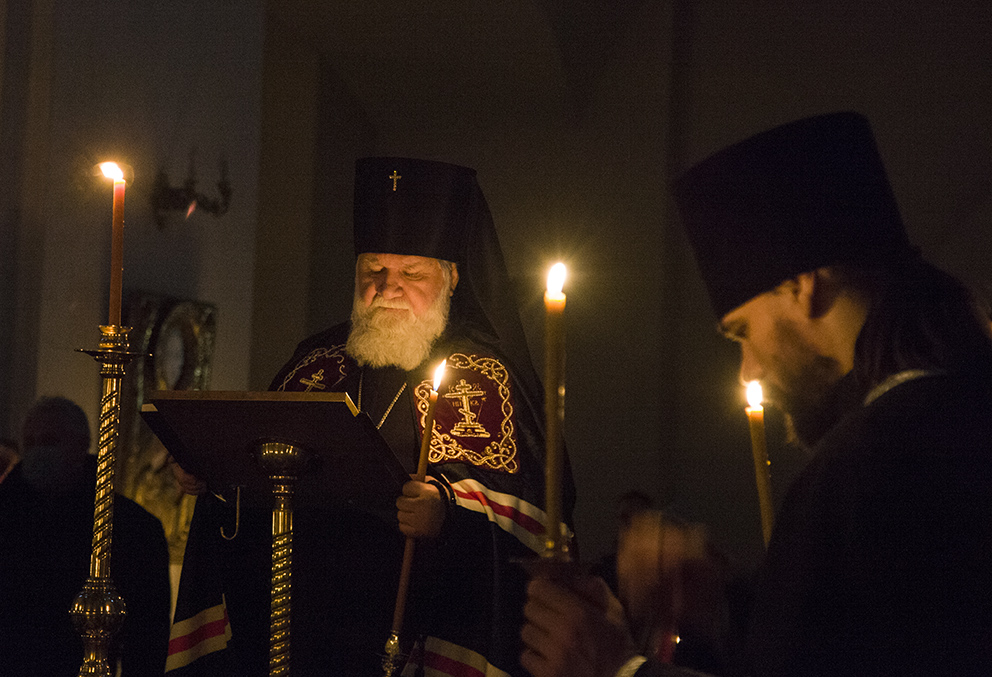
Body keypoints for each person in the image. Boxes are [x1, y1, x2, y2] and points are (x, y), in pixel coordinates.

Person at [520, 112, 992, 677]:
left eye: (743, 331)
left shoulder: (874, 459)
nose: (751, 367)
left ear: (804, 288)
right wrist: (730, 600)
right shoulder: (959, 411)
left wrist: (614, 668)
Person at [169, 157, 573, 676]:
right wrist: (214, 474)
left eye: (411, 273)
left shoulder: (484, 376)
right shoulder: (315, 362)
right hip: (300, 639)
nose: (388, 286)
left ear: (451, 277)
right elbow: (263, 475)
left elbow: (532, 514)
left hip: (417, 637)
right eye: (373, 270)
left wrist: (448, 511)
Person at [0, 396, 171, 676]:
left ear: (81, 444)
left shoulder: (131, 526)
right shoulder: (7, 512)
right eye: (31, 442)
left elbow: (147, 634)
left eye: (50, 441)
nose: (39, 451)